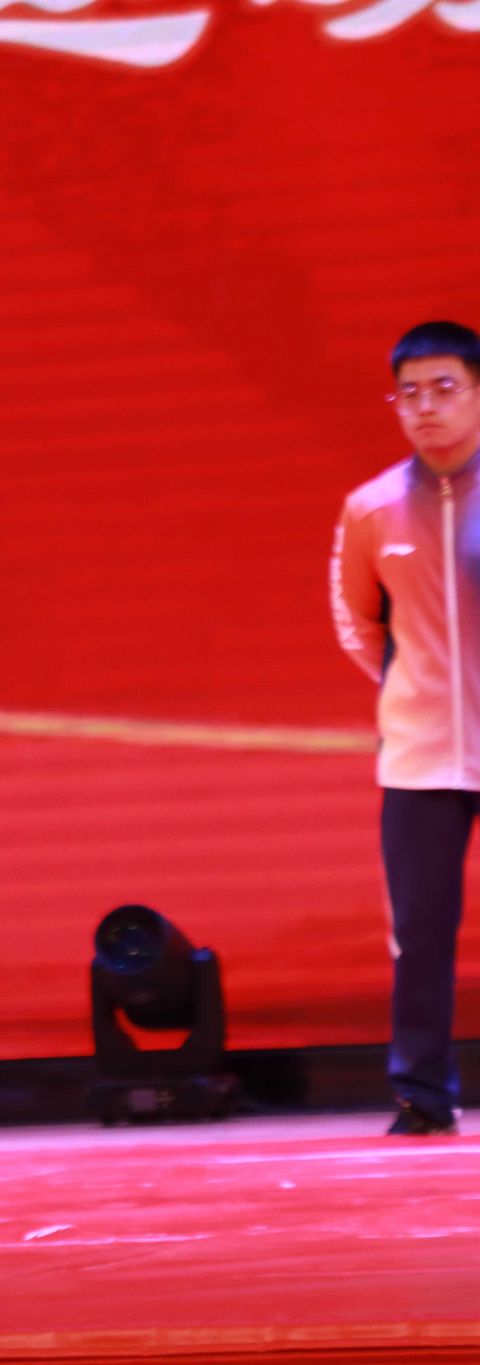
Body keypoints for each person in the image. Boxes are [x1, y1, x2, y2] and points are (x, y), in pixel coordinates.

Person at [330, 319, 480, 1137]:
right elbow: (356, 618)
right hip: (420, 757)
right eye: (409, 392)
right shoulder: (372, 507)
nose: (425, 407)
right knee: (419, 932)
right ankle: (422, 1095)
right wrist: (409, 686)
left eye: (445, 387)